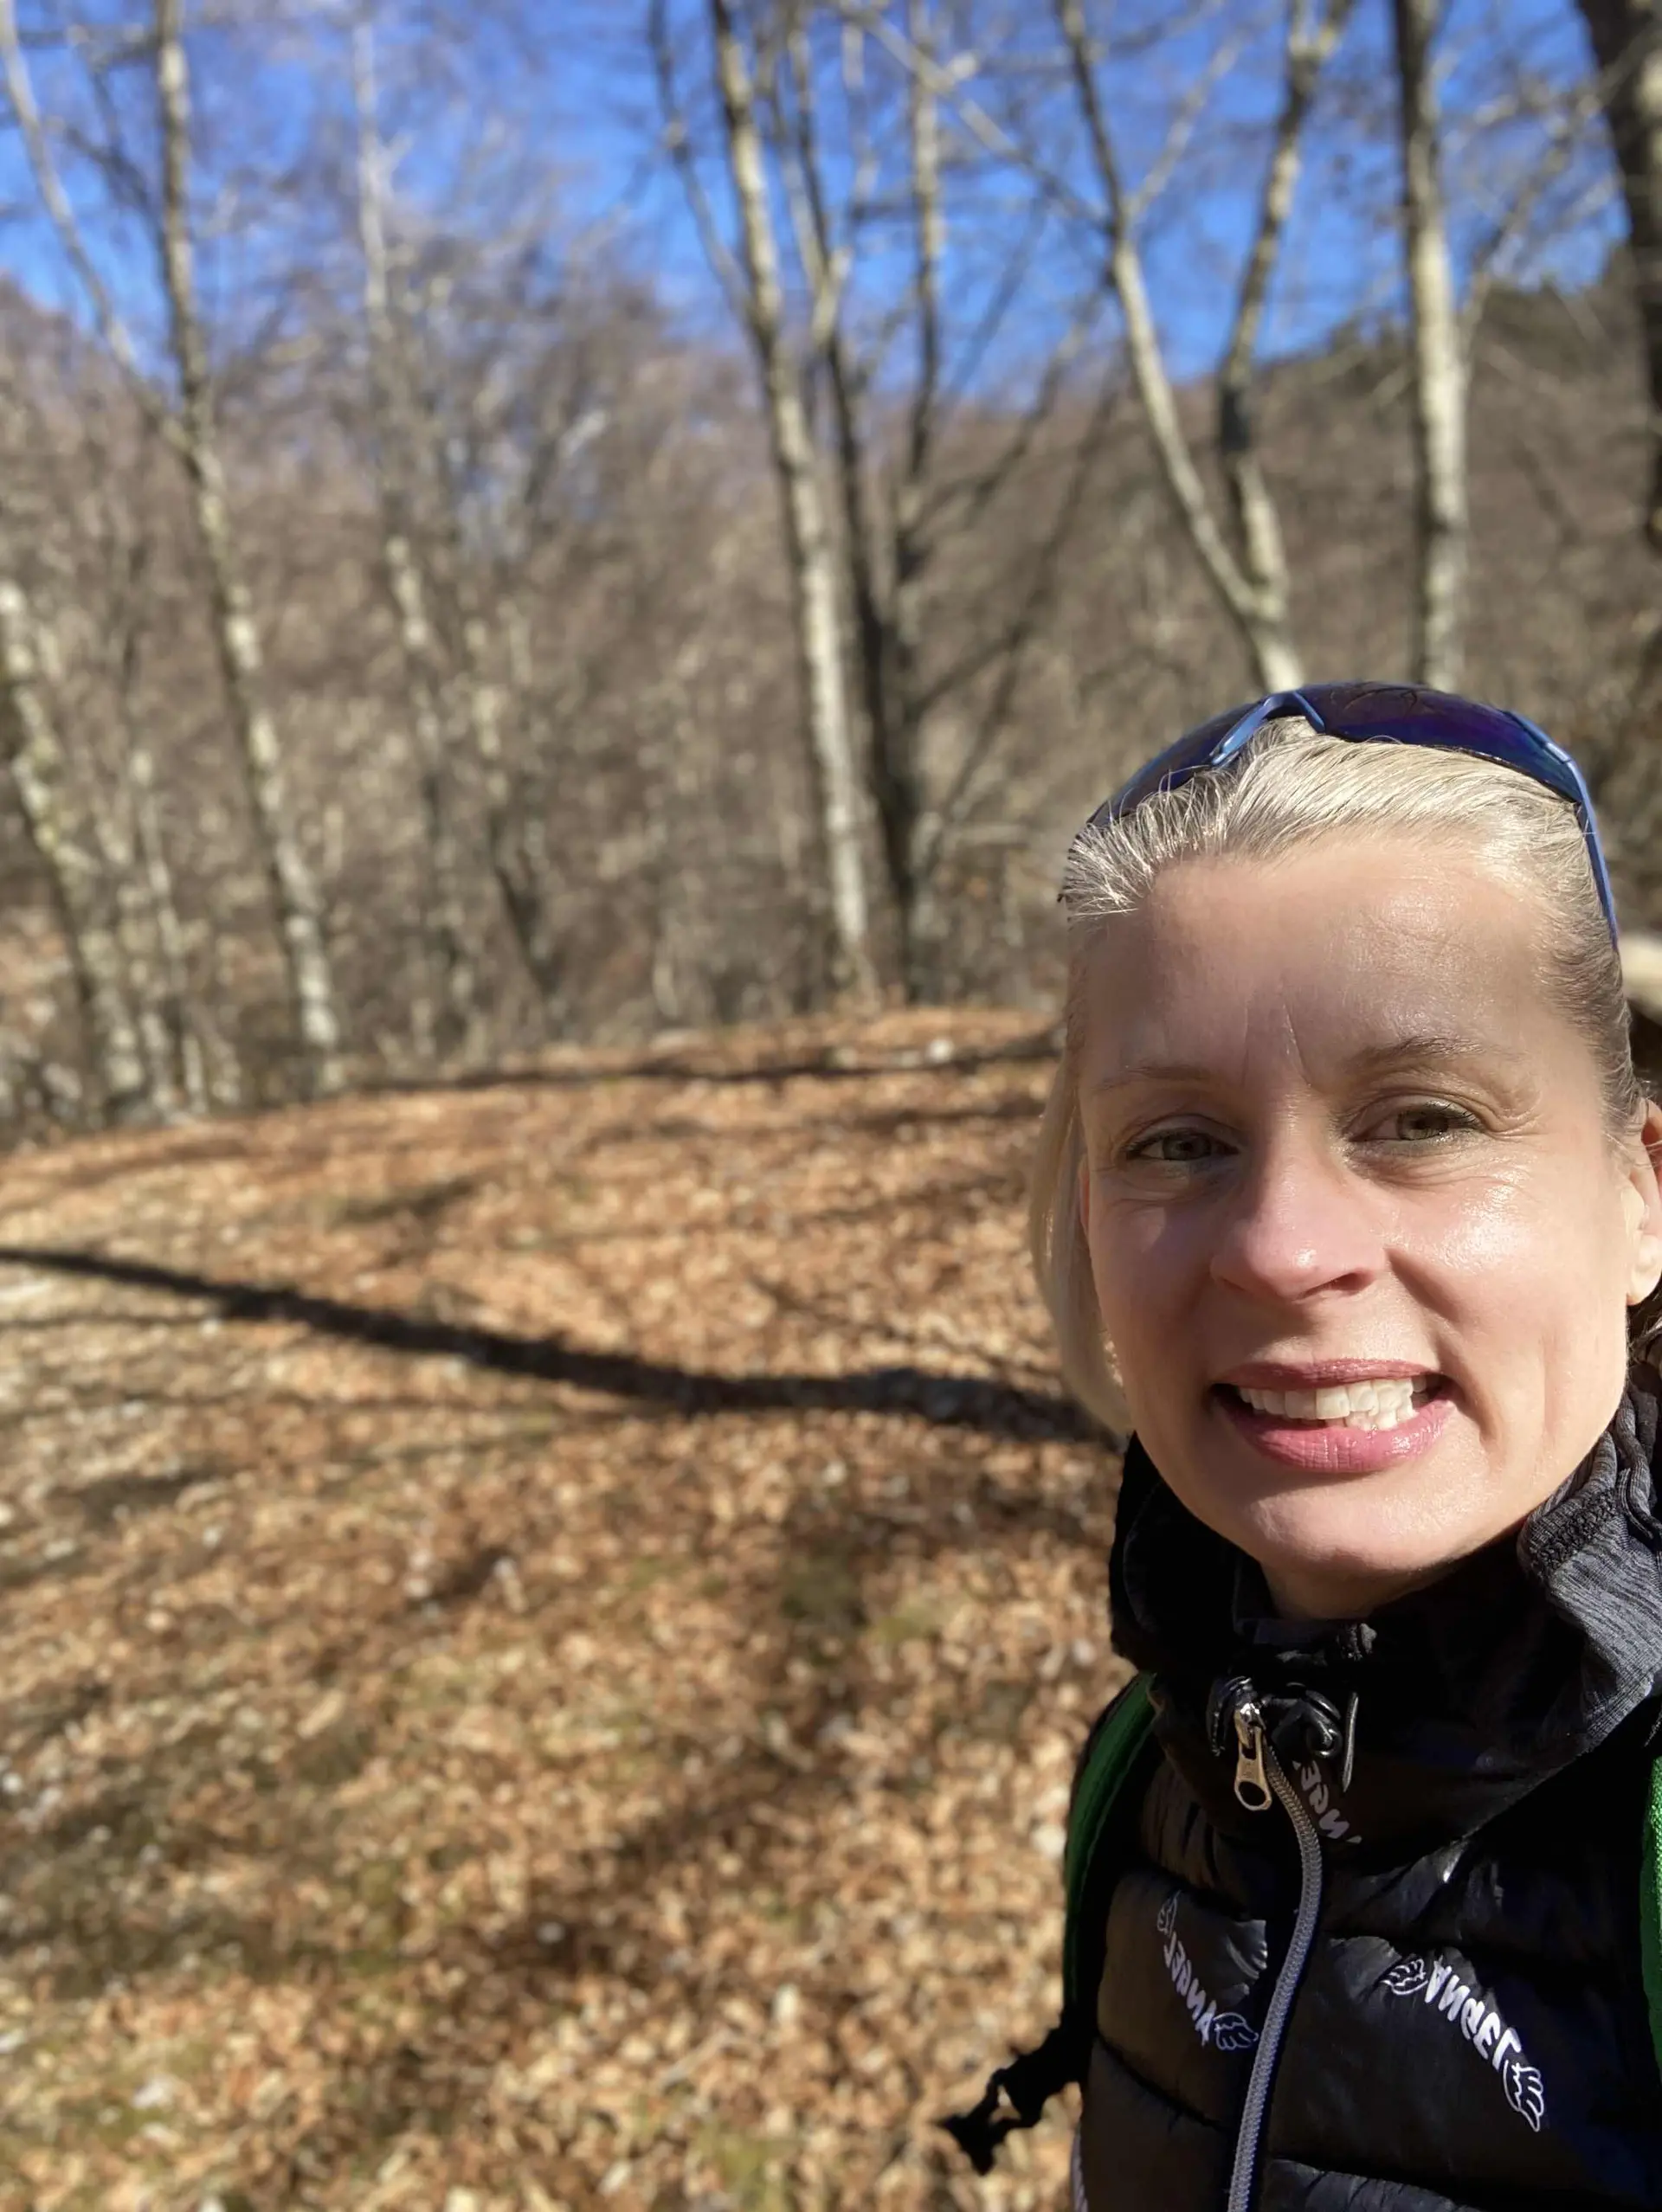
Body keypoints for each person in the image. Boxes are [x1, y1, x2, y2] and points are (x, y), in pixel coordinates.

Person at [1020, 685, 1662, 2208]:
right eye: (1178, 1142)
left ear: (1640, 1196)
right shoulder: (1153, 1774)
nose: (1285, 1248)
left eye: (1423, 1118)